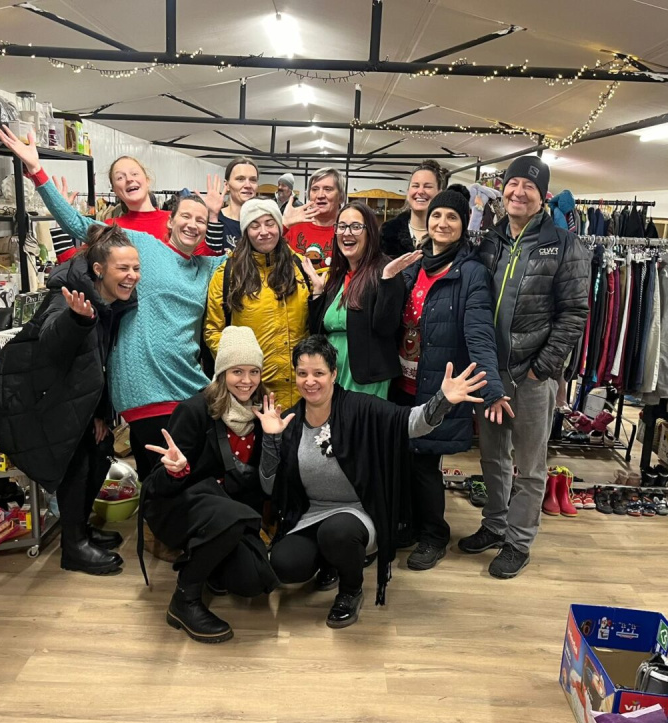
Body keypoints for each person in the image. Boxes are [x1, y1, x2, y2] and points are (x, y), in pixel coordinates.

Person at [0, 127, 227, 488]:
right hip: (144, 387)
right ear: (169, 221)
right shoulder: (139, 246)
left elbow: (252, 253)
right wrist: (38, 172)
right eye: (186, 216)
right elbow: (78, 225)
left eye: (201, 219)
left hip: (191, 385)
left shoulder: (209, 267)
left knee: (198, 476)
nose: (193, 224)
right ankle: (158, 525)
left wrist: (276, 223)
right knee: (163, 483)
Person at [259, 336, 488, 628]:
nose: (310, 381)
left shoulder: (360, 408)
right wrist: (272, 439)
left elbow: (411, 423)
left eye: (318, 373)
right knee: (284, 563)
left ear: (333, 374)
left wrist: (441, 400)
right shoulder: (291, 420)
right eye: (302, 373)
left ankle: (350, 591)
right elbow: (269, 487)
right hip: (312, 514)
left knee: (337, 532)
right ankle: (331, 563)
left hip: (358, 512)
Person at [0, 225, 139, 575]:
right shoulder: (69, 296)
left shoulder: (112, 303)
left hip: (76, 400)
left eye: (136, 268)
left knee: (99, 454)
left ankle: (81, 530)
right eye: (123, 268)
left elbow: (99, 363)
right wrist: (77, 320)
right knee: (76, 465)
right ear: (99, 269)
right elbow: (51, 339)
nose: (132, 276)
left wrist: (100, 413)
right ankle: (73, 547)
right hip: (42, 400)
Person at [464, 156, 591, 579]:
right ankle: (495, 524)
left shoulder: (564, 244)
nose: (518, 192)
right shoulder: (490, 240)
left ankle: (518, 542)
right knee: (493, 456)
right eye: (512, 183)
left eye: (529, 186)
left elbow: (574, 313)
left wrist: (541, 369)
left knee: (531, 466)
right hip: (490, 373)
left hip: (532, 376)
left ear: (542, 196)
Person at [390, 184, 511, 571]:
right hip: (401, 383)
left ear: (463, 226)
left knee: (426, 463)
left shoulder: (471, 273)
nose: (442, 223)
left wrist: (492, 389)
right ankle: (410, 525)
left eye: (452, 217)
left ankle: (434, 535)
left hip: (436, 387)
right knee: (404, 459)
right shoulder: (413, 266)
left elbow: (479, 333)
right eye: (437, 215)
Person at [144, 326, 279, 644]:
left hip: (231, 515)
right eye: (237, 371)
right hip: (181, 506)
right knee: (229, 516)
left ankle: (213, 562)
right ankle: (184, 601)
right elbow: (157, 486)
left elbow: (266, 487)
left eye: (253, 371)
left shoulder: (264, 415)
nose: (246, 380)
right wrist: (176, 470)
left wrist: (273, 441)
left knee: (254, 580)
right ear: (222, 373)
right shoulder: (195, 411)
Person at [204, 198, 323, 410]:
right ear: (245, 231)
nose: (264, 232)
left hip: (301, 391)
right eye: (255, 225)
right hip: (251, 395)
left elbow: (315, 325)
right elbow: (213, 331)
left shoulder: (301, 268)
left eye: (270, 223)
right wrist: (241, 372)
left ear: (279, 226)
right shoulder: (228, 274)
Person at [309, 201, 414, 398]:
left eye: (356, 227)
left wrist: (388, 281)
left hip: (367, 378)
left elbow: (385, 327)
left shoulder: (385, 271)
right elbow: (316, 332)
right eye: (342, 226)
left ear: (370, 232)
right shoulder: (337, 275)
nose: (347, 233)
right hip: (332, 373)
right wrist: (318, 292)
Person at [53, 155, 226, 258]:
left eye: (134, 173)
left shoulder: (175, 220)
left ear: (147, 180)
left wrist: (212, 216)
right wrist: (58, 216)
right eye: (120, 177)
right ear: (115, 190)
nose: (129, 179)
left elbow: (208, 260)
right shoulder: (110, 227)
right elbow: (74, 266)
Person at [381, 159, 446, 257]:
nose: (420, 191)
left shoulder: (446, 233)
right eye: (415, 186)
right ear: (408, 192)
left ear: (439, 193)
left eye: (428, 186)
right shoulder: (387, 232)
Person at [282, 167, 344, 269]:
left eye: (328, 189)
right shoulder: (293, 225)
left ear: (341, 196)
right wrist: (283, 225)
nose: (320, 195)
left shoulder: (347, 230)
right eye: (315, 189)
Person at [218, 157, 260, 251]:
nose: (248, 185)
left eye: (253, 180)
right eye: (240, 179)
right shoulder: (215, 221)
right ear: (227, 185)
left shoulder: (264, 223)